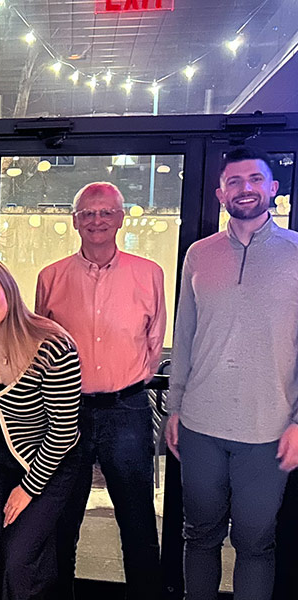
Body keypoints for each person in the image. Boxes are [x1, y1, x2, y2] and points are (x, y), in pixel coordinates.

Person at [165, 146, 298, 600]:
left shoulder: (297, 253)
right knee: (198, 536)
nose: (246, 189)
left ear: (273, 189)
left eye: (255, 180)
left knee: (255, 543)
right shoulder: (199, 255)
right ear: (221, 192)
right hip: (200, 425)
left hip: (268, 430)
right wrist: (174, 408)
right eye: (236, 182)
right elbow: (185, 337)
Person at [35, 181, 166, 600]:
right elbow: (43, 347)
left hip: (126, 409)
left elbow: (152, 341)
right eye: (88, 213)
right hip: (65, 412)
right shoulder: (50, 278)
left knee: (138, 522)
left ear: (120, 218)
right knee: (62, 520)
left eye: (105, 212)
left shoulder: (149, 274)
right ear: (74, 221)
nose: (96, 220)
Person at [0, 256, 81, 600]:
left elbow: (64, 432)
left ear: (8, 290)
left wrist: (28, 488)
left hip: (49, 466)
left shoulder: (54, 345)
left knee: (18, 559)